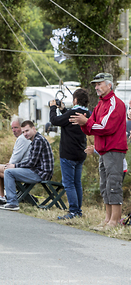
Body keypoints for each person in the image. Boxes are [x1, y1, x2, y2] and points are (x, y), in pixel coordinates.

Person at [70, 73, 128, 228]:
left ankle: (114, 221)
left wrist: (86, 122)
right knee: (105, 186)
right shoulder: (100, 105)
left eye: (99, 84)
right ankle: (108, 220)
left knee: (113, 185)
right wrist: (84, 123)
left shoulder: (115, 103)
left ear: (109, 85)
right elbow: (91, 129)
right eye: (95, 84)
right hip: (103, 150)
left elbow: (104, 127)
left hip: (114, 150)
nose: (96, 87)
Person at [49, 89, 90, 219]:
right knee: (77, 182)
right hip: (80, 153)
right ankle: (78, 211)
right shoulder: (87, 113)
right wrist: (62, 109)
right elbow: (67, 120)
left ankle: (73, 210)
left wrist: (52, 108)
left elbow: (56, 121)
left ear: (75, 100)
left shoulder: (73, 112)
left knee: (69, 183)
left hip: (68, 153)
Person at [0, 120, 54, 211]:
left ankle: (12, 203)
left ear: (34, 129)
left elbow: (31, 163)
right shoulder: (35, 140)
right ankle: (12, 199)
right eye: (23, 132)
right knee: (9, 171)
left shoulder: (38, 140)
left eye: (27, 131)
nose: (25, 134)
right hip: (38, 171)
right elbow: (31, 162)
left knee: (8, 172)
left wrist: (15, 166)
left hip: (41, 174)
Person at [0, 116, 31, 207]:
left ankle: (1, 197)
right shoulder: (24, 138)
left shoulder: (22, 138)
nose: (13, 130)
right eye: (12, 128)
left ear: (22, 127)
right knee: (0, 170)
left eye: (16, 127)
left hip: (23, 169)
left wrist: (6, 166)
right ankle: (2, 196)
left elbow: (14, 159)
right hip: (23, 168)